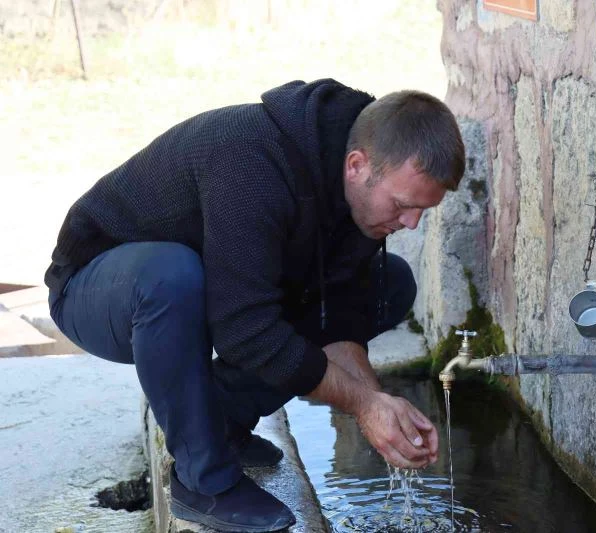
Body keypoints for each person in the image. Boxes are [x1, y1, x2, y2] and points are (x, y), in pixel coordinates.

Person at [44, 78, 465, 532]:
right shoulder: (252, 163)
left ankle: (220, 425)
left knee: (391, 282)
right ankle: (203, 481)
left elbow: (337, 317)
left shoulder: (351, 188)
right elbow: (244, 329)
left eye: (424, 210)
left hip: (200, 289)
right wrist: (362, 405)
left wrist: (377, 403)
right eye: (403, 205)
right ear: (357, 165)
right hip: (101, 290)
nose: (411, 222)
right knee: (172, 275)